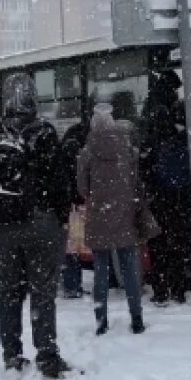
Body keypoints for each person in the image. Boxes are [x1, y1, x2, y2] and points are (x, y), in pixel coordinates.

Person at [0, 72, 73, 379]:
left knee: (9, 291)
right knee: (42, 291)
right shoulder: (43, 132)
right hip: (40, 221)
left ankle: (12, 356)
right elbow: (61, 180)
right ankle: (46, 355)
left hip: (5, 226)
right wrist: (60, 217)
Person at [78, 104, 147, 335]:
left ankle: (101, 321)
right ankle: (136, 317)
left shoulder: (87, 152)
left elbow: (82, 188)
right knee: (129, 268)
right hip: (125, 213)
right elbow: (135, 180)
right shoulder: (127, 148)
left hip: (99, 215)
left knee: (101, 270)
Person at [144, 104, 191, 305]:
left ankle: (161, 291)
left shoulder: (152, 142)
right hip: (181, 201)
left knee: (158, 249)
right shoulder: (183, 140)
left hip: (159, 202)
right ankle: (179, 289)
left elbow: (146, 173)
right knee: (177, 248)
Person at [58, 122, 89, 299]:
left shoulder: (61, 160)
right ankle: (73, 284)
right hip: (78, 209)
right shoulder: (80, 161)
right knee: (77, 247)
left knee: (69, 250)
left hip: (65, 210)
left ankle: (70, 283)